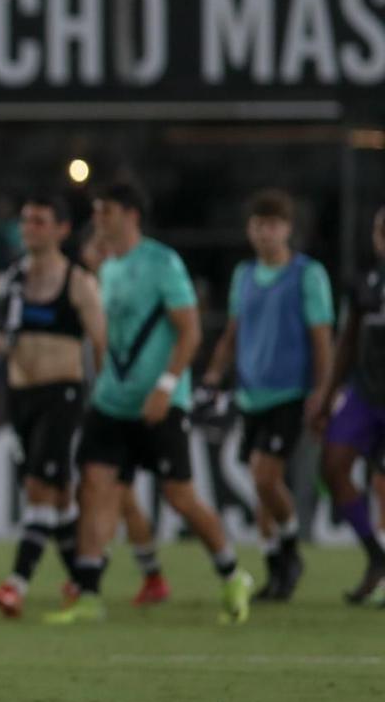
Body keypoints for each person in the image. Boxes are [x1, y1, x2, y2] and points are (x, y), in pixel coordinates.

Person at [45, 182, 253, 625]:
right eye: (97, 210)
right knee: (96, 488)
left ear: (131, 215)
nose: (98, 217)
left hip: (158, 401)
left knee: (179, 496)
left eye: (107, 210)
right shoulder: (104, 267)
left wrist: (165, 386)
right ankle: (87, 592)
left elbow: (190, 331)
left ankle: (232, 573)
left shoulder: (162, 263)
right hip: (110, 401)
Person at [0, 194, 106, 616]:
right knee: (59, 496)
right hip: (20, 395)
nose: (30, 229)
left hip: (62, 392)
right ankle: (84, 587)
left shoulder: (78, 284)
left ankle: (17, 584)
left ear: (62, 229)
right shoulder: (9, 280)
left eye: (40, 221)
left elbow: (102, 346)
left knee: (39, 488)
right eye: (27, 221)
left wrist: (105, 400)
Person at [198, 190, 335, 602]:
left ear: (288, 229)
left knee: (264, 475)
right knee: (262, 485)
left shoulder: (307, 274)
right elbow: (234, 334)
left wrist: (321, 392)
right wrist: (213, 376)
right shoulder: (244, 275)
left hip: (290, 391)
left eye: (273, 225)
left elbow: (321, 339)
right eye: (258, 226)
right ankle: (276, 568)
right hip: (251, 392)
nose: (265, 234)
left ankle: (290, 549)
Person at [316, 204, 385, 604]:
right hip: (364, 393)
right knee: (333, 464)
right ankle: (376, 556)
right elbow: (346, 342)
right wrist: (326, 397)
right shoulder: (365, 282)